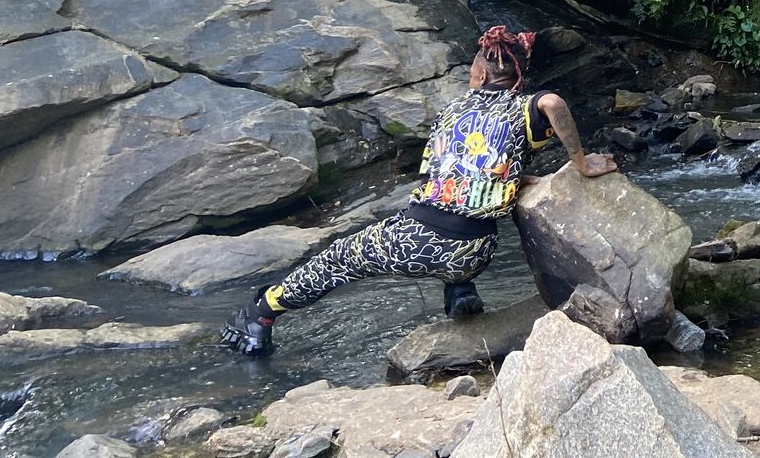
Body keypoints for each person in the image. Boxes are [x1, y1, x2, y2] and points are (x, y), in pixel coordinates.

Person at [219, 25, 617, 356]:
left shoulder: (452, 111)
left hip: (420, 242)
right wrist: (572, 164)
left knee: (337, 258)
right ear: (517, 78)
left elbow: (444, 173)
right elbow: (548, 104)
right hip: (477, 252)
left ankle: (262, 313)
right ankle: (461, 291)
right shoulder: (527, 109)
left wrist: (568, 166)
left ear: (478, 75)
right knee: (445, 229)